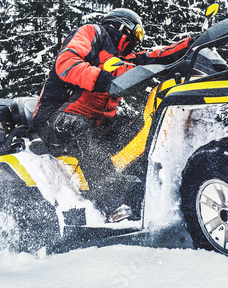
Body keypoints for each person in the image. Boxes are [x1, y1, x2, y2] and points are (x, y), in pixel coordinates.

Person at [32, 8, 193, 220]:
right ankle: (113, 206)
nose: (139, 39)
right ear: (123, 25)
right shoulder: (93, 33)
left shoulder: (125, 57)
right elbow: (66, 63)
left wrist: (193, 44)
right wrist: (106, 79)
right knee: (80, 129)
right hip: (54, 116)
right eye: (138, 33)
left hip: (97, 121)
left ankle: (145, 195)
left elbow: (157, 57)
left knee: (143, 128)